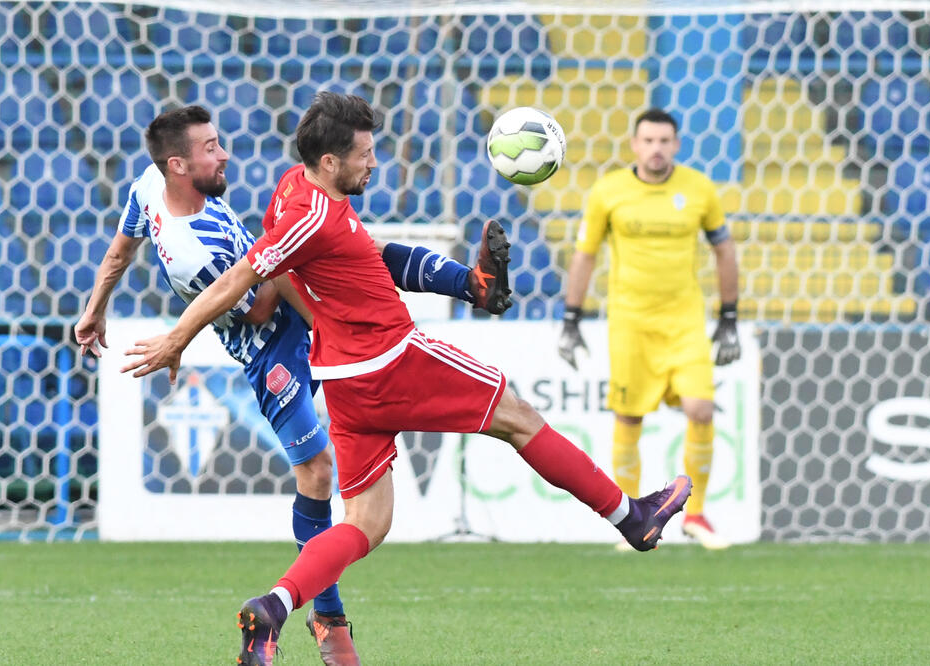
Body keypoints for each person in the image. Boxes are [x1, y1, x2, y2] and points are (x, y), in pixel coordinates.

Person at [119, 93, 692, 666]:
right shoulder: (311, 216)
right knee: (518, 417)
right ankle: (630, 517)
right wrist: (176, 340)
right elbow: (240, 278)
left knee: (367, 524)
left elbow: (375, 255)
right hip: (392, 358)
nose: (374, 163)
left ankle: (272, 608)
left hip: (345, 381)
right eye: (364, 154)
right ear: (329, 162)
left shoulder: (297, 188)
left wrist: (467, 285)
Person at [74, 105, 513, 666]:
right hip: (271, 347)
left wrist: (94, 310)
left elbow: (119, 250)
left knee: (358, 248)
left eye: (219, 141)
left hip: (287, 298)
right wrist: (287, 254)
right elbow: (257, 308)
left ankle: (473, 286)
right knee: (318, 470)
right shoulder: (198, 248)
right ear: (179, 165)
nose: (224, 153)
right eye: (211, 148)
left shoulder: (147, 185)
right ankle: (326, 618)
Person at [557, 108, 740, 551]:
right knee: (629, 416)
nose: (657, 148)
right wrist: (571, 319)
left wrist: (729, 316)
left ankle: (695, 515)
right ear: (635, 145)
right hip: (630, 323)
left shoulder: (699, 189)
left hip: (684, 322)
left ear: (676, 145)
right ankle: (633, 520)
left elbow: (724, 249)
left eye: (664, 141)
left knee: (700, 408)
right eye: (649, 140)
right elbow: (585, 256)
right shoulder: (609, 192)